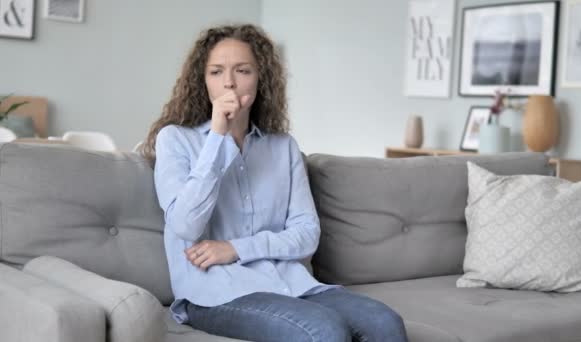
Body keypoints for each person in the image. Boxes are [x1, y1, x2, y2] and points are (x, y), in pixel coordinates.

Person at [142, 24, 408, 342]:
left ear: (260, 78)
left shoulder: (283, 147)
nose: (228, 82)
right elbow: (185, 225)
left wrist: (235, 249)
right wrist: (217, 136)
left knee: (385, 322)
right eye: (216, 72)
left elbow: (306, 234)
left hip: (290, 283)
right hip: (214, 292)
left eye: (242, 70)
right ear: (203, 80)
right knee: (324, 332)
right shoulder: (175, 139)